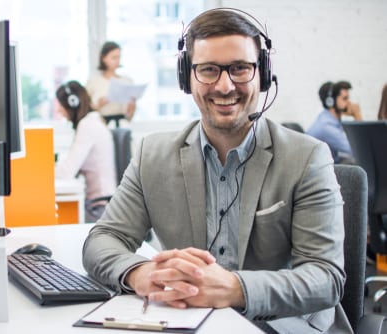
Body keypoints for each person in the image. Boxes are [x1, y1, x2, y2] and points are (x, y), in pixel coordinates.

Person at [83, 8, 352, 334]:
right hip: (189, 322)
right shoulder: (151, 155)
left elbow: (325, 278)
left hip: (282, 324)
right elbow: (103, 240)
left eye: (240, 68)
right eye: (208, 70)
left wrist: (234, 288)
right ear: (187, 77)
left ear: (262, 74)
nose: (224, 86)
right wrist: (143, 274)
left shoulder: (307, 157)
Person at [55, 81, 117, 222]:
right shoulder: (92, 122)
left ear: (72, 103)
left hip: (99, 208)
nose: (59, 110)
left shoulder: (88, 125)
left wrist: (42, 171)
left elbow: (66, 172)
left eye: (60, 105)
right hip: (100, 205)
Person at [307, 81, 363, 164]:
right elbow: (358, 152)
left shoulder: (329, 120)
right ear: (331, 101)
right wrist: (357, 115)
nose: (349, 102)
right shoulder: (327, 126)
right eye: (345, 99)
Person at [86, 41, 136, 126]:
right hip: (101, 126)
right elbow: (86, 110)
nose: (117, 61)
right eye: (114, 57)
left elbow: (129, 116)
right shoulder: (93, 82)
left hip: (122, 126)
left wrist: (132, 106)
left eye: (119, 57)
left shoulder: (127, 81)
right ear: (103, 58)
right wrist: (98, 105)